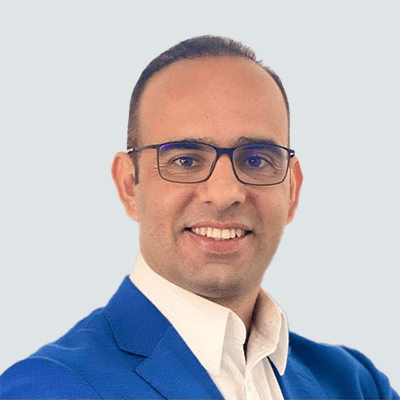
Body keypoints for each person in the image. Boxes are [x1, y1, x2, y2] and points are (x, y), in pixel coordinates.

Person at [1, 35, 398, 399]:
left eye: (256, 160)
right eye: (185, 160)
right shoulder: (47, 388)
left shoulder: (356, 384)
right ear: (129, 186)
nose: (224, 194)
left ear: (291, 191)